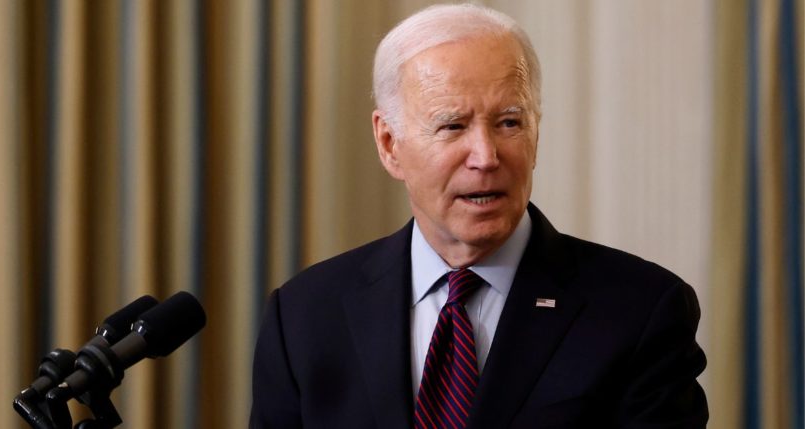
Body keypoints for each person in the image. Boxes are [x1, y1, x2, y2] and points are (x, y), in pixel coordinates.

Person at [250, 4, 708, 428]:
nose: (486, 157)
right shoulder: (304, 317)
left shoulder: (640, 310)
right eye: (452, 126)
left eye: (509, 122)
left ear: (536, 132)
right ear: (389, 144)